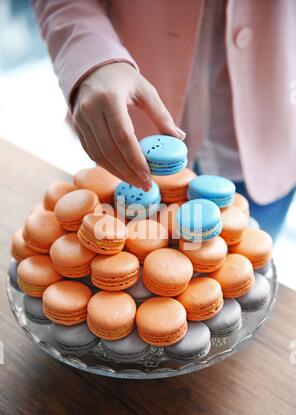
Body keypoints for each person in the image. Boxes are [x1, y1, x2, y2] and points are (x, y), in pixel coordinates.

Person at [33, 0, 296, 239]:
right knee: (108, 238)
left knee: (253, 258)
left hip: (275, 137)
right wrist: (91, 57)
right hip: (124, 132)